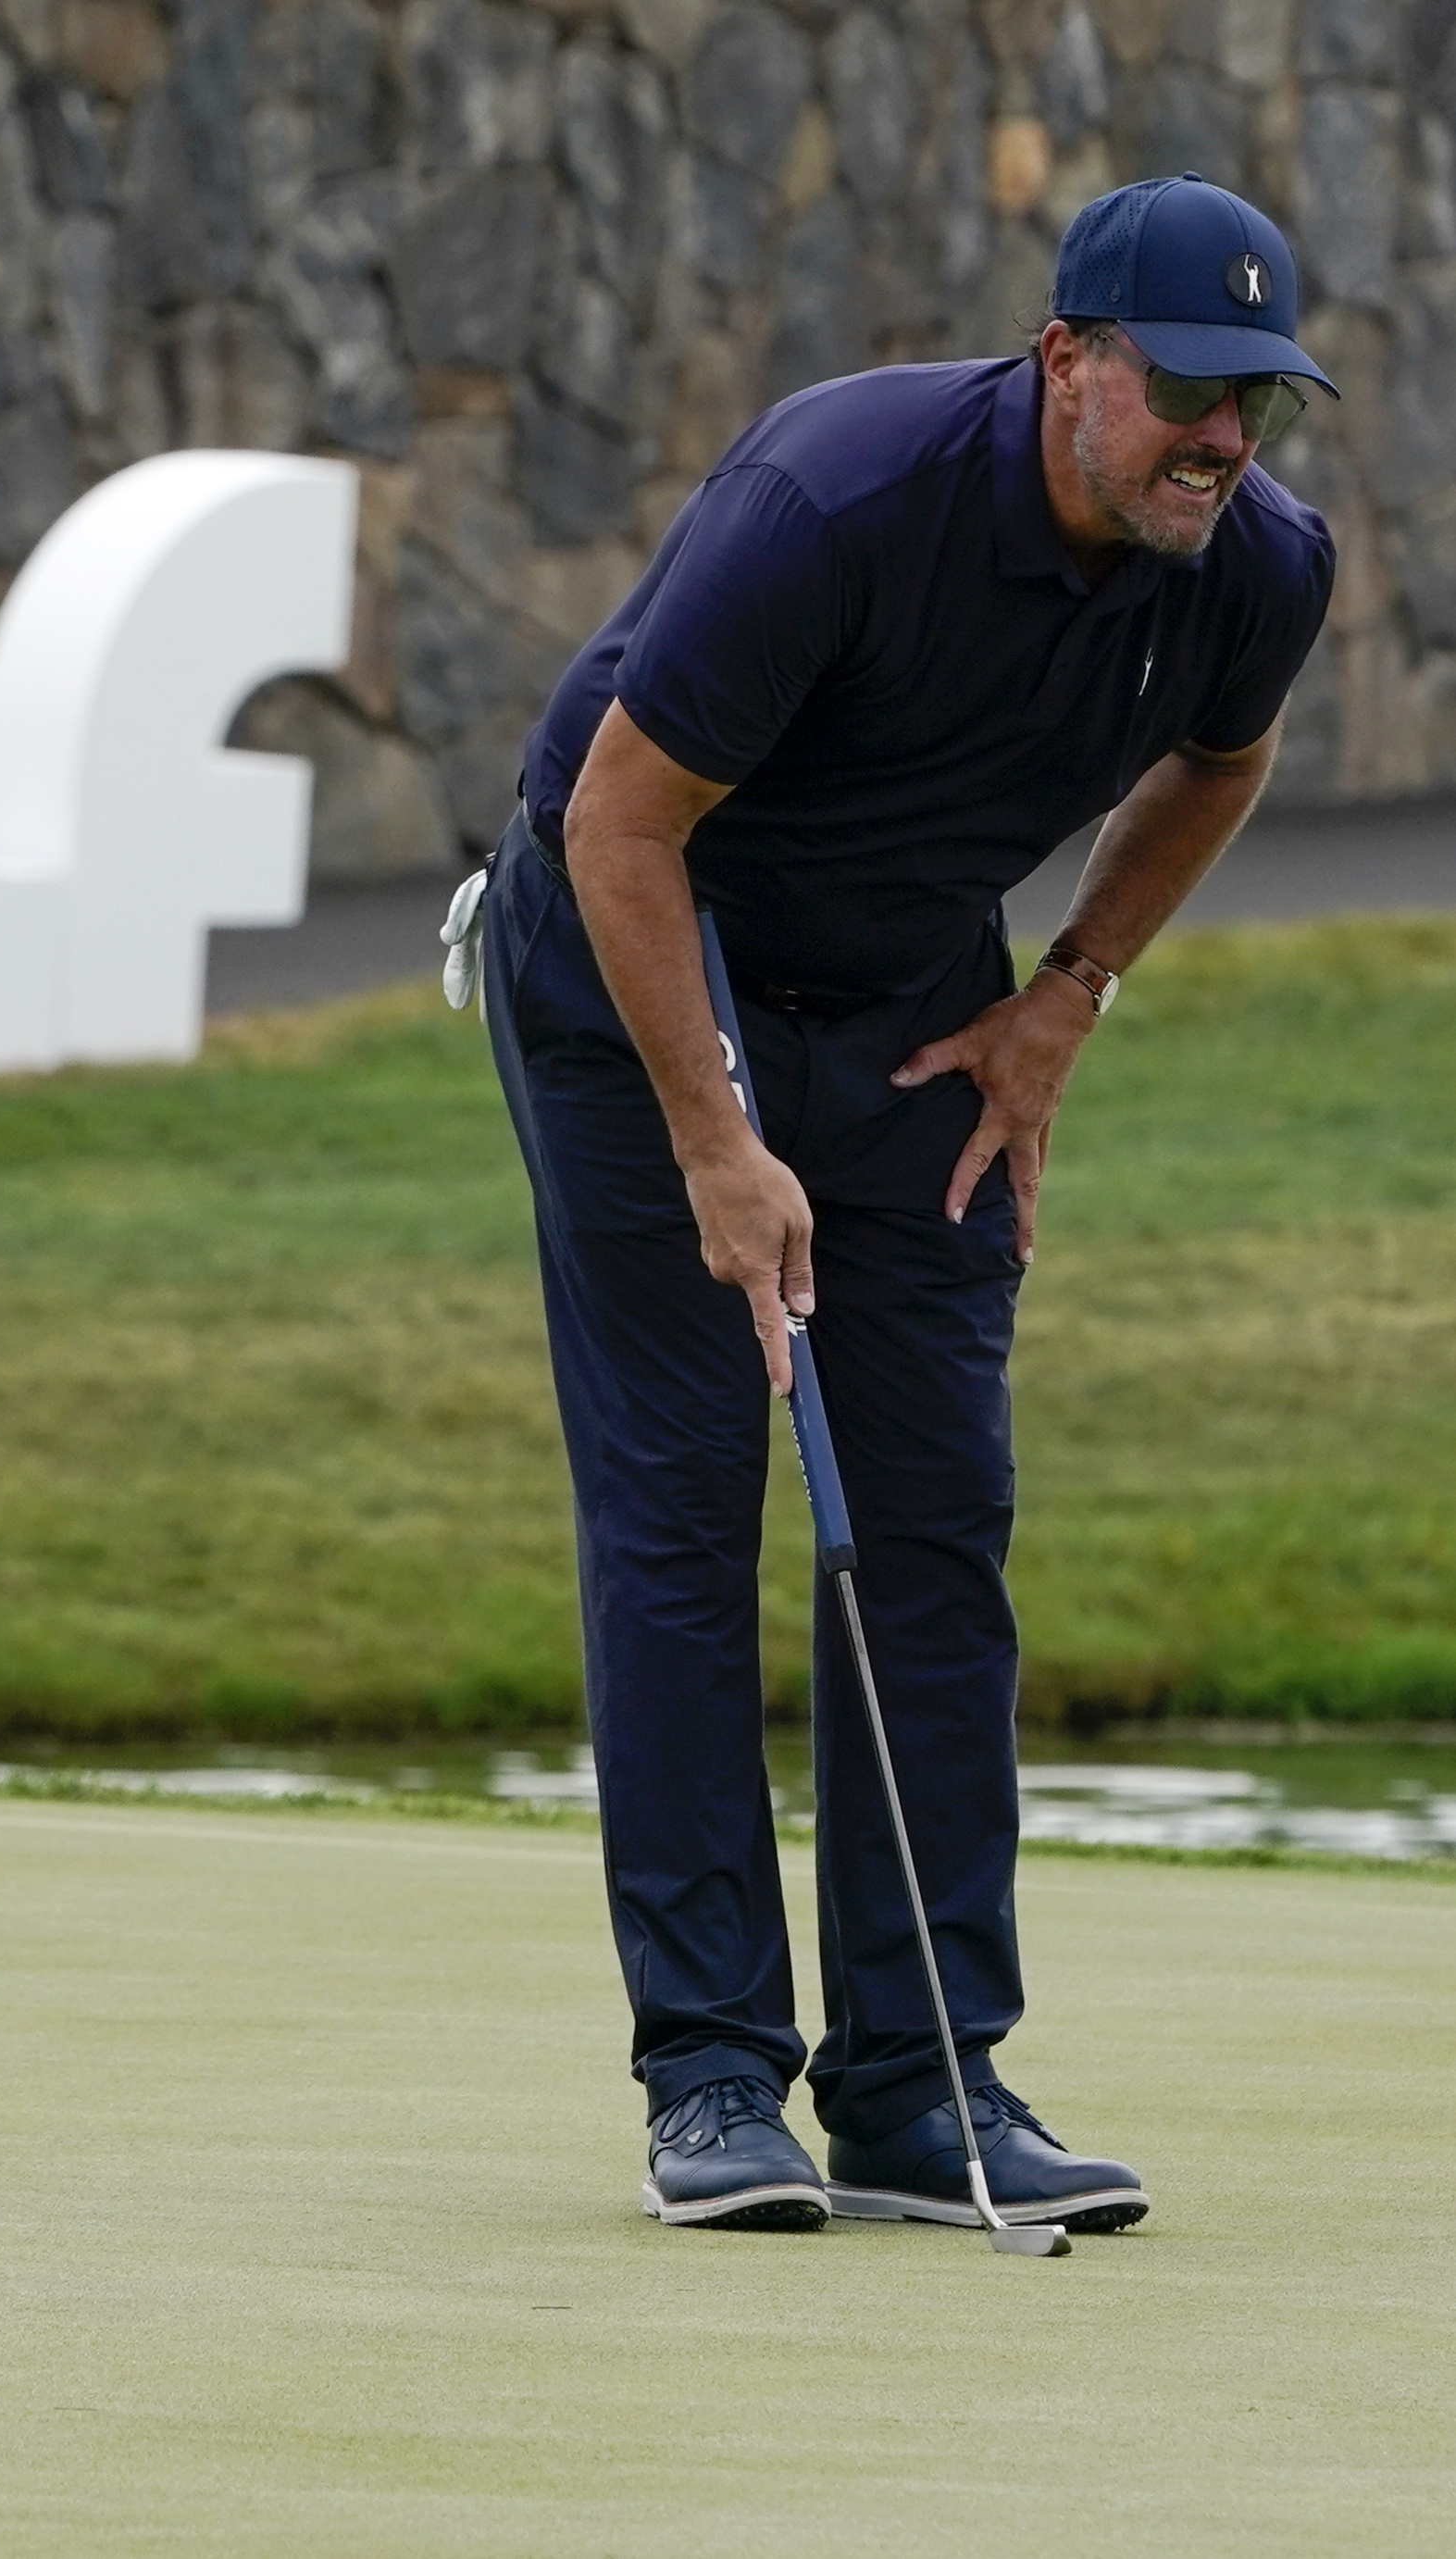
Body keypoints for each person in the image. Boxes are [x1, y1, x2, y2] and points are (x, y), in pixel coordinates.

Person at [474, 174, 1337, 2232]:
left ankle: (928, 2076)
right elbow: (620, 818)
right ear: (1068, 364)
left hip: (915, 1002)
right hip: (631, 963)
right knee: (688, 1504)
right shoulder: (836, 498)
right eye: (1186, 396)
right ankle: (709, 2077)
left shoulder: (1251, 564)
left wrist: (1068, 996)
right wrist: (714, 1139)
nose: (1223, 441)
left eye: (1261, 402)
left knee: (935, 1512)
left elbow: (1221, 766)